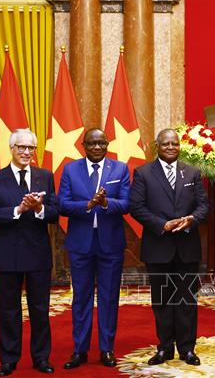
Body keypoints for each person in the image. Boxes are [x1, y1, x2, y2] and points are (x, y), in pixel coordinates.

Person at [129, 129, 209, 366]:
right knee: (162, 301)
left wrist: (192, 219)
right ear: (158, 147)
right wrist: (161, 225)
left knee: (187, 301)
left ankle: (187, 349)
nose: (171, 147)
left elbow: (204, 206)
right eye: (166, 144)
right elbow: (136, 207)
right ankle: (164, 348)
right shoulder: (143, 173)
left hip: (187, 247)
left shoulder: (192, 172)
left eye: (175, 144)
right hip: (158, 246)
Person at [0, 129, 58, 377]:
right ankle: (8, 359)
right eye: (21, 147)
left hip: (38, 253)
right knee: (8, 310)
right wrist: (18, 209)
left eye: (31, 148)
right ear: (11, 148)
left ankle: (41, 358)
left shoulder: (45, 176)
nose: (26, 152)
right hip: (9, 253)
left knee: (40, 309)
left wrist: (38, 209)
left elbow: (55, 213)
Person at [58, 128, 131, 369]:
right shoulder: (70, 169)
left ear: (107, 144)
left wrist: (106, 202)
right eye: (92, 143)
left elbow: (127, 203)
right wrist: (88, 205)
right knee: (81, 298)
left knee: (109, 298)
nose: (97, 147)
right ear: (83, 146)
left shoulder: (119, 169)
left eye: (101, 143)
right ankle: (79, 350)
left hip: (110, 245)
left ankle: (106, 348)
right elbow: (63, 204)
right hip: (80, 244)